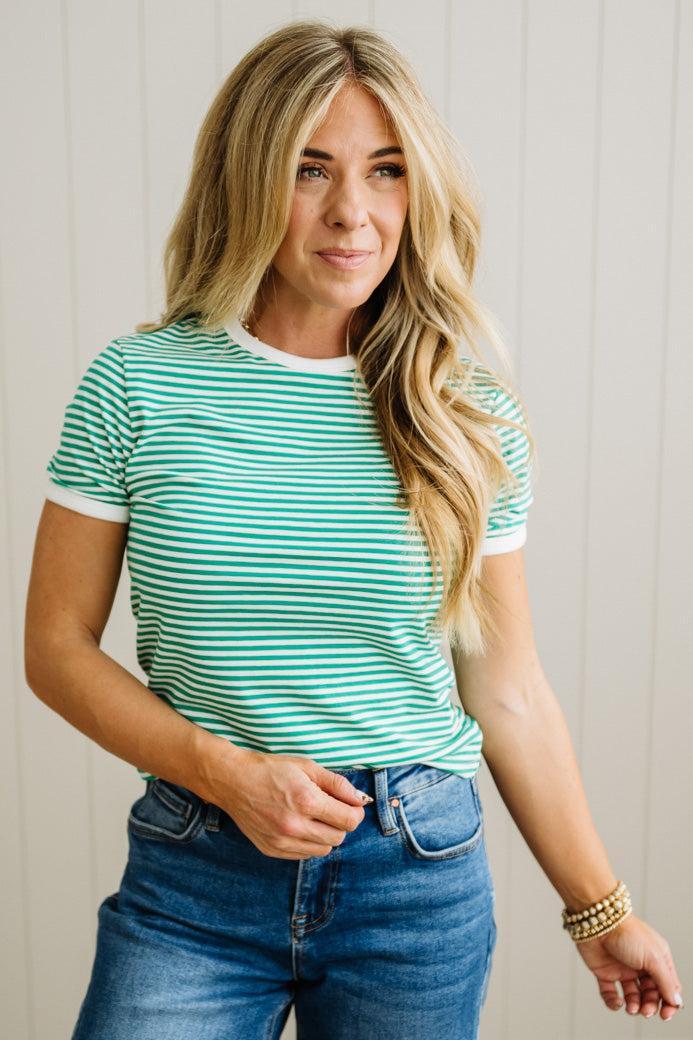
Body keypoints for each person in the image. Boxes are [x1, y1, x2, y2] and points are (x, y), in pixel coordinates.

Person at [25, 18, 683, 1040]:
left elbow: (506, 689)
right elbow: (55, 649)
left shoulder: (467, 413)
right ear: (248, 179)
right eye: (310, 169)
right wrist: (225, 772)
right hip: (194, 874)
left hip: (413, 883)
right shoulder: (138, 386)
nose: (352, 213)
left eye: (385, 172)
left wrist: (601, 909)